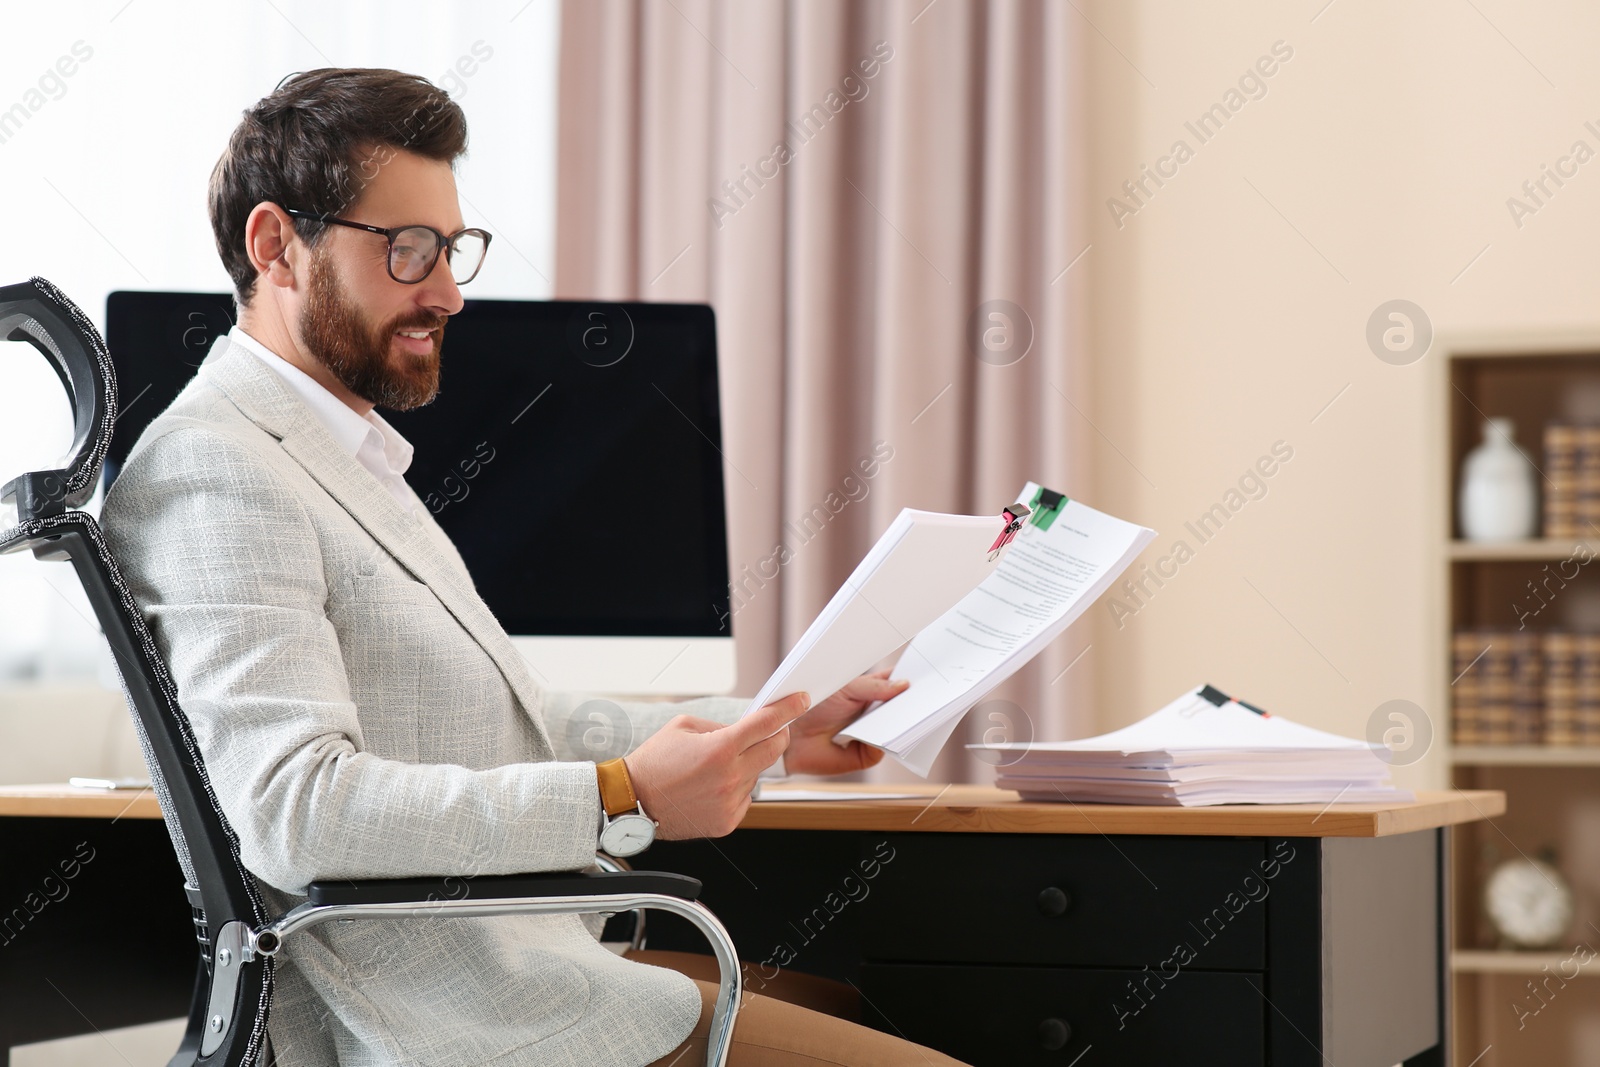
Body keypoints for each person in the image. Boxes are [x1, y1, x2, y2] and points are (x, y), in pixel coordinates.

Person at [100, 68, 966, 1067]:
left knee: (890, 1000)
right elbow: (298, 808)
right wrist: (617, 795)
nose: (448, 291)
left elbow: (504, 727)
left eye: (451, 247)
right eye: (407, 249)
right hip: (443, 1020)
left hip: (519, 973)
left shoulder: (332, 453)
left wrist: (772, 728)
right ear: (273, 246)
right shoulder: (221, 465)